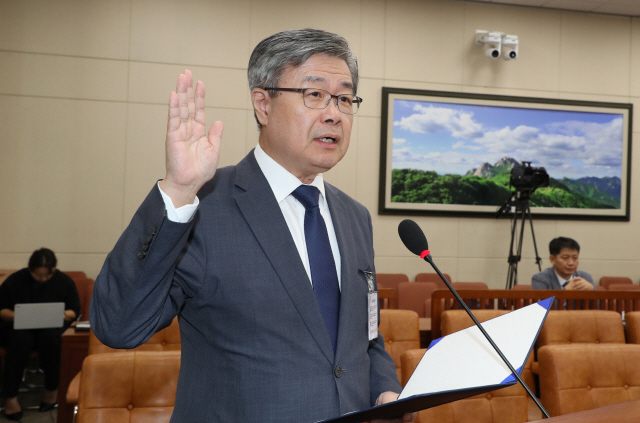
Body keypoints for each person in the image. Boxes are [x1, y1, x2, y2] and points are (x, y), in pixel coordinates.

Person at [90, 29, 414, 423]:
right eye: (314, 95)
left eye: (344, 99)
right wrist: (177, 191)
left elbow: (363, 335)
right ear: (263, 103)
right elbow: (119, 326)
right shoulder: (203, 206)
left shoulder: (354, 216)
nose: (334, 113)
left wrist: (385, 389)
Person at [0, 248, 81, 421]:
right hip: (18, 329)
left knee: (52, 339)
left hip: (50, 329)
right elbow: (2, 311)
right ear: (31, 270)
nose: (43, 279)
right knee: (20, 340)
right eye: (39, 275)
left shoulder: (64, 282)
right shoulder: (16, 280)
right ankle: (10, 397)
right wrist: (20, 315)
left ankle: (51, 391)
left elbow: (74, 310)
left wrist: (57, 314)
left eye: (47, 275)